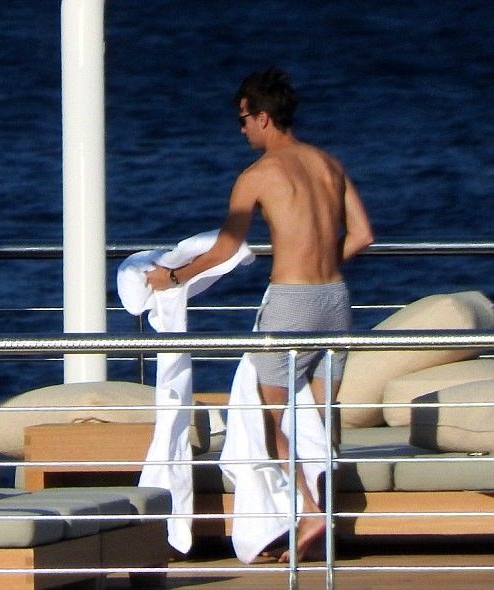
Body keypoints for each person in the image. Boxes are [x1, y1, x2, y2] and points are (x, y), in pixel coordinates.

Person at [146, 68, 374, 562]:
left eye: (243, 119)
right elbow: (362, 235)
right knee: (319, 420)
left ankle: (311, 512)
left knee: (273, 422)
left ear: (263, 117)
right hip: (335, 299)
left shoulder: (257, 175)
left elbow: (226, 248)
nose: (242, 129)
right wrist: (322, 260)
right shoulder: (329, 163)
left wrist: (173, 277)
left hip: (290, 303)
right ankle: (321, 521)